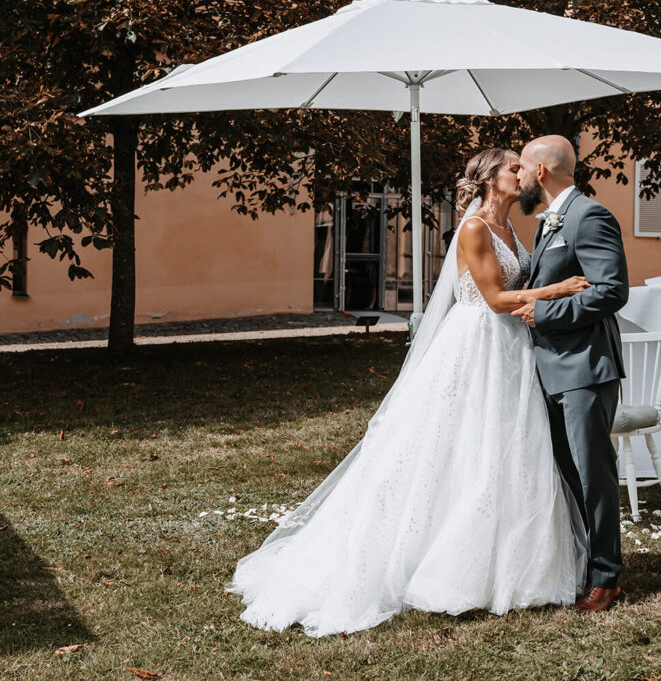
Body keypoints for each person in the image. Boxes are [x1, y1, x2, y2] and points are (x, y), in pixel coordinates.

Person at [227, 148, 590, 637]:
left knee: (505, 448)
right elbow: (496, 299)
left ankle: (509, 563)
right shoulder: (476, 228)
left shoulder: (511, 228)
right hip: (477, 345)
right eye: (512, 168)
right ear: (488, 179)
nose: (522, 173)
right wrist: (557, 289)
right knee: (457, 447)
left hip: (509, 351)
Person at [511, 135, 629, 613]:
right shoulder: (549, 222)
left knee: (591, 472)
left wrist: (547, 316)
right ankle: (583, 561)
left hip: (583, 366)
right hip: (551, 368)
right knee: (566, 470)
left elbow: (611, 291)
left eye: (519, 168)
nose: (515, 177)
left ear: (540, 171)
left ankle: (607, 577)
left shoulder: (588, 216)